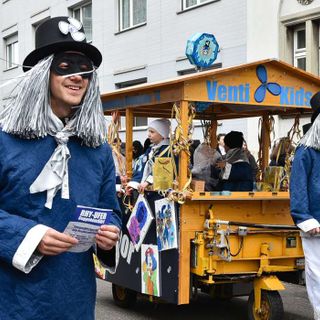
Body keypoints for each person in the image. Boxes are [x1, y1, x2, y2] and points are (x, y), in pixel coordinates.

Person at [0, 16, 121, 320]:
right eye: (65, 66)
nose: (77, 77)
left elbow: (110, 210)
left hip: (75, 299)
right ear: (43, 74)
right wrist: (30, 234)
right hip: (14, 300)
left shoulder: (98, 149)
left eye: (85, 70)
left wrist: (110, 233)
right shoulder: (5, 140)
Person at [290, 91, 320, 320]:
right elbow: (298, 188)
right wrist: (305, 219)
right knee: (318, 274)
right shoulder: (305, 151)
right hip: (316, 225)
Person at [126, 118, 171, 194]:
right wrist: (133, 184)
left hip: (161, 191)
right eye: (149, 131)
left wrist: (147, 182)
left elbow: (163, 169)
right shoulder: (151, 149)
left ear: (162, 134)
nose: (149, 135)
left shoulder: (167, 150)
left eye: (152, 132)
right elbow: (141, 167)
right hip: (147, 189)